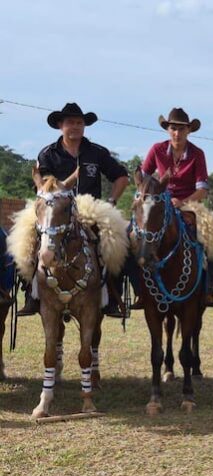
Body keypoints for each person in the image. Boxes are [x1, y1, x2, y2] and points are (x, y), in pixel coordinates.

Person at [19, 102, 130, 317]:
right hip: (54, 210)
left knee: (117, 243)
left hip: (91, 209)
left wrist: (111, 201)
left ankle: (112, 297)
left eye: (80, 123)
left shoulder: (97, 152)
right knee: (25, 239)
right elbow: (41, 185)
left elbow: (122, 177)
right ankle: (31, 295)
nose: (76, 127)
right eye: (71, 122)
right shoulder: (48, 153)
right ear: (61, 125)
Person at [137, 107, 213, 308]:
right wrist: (148, 197)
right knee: (131, 234)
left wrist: (183, 202)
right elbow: (143, 178)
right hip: (159, 204)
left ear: (188, 130)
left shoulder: (197, 154)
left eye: (181, 129)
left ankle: (210, 286)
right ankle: (139, 290)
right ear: (167, 130)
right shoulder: (157, 149)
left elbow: (202, 189)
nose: (177, 133)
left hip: (190, 206)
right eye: (173, 128)